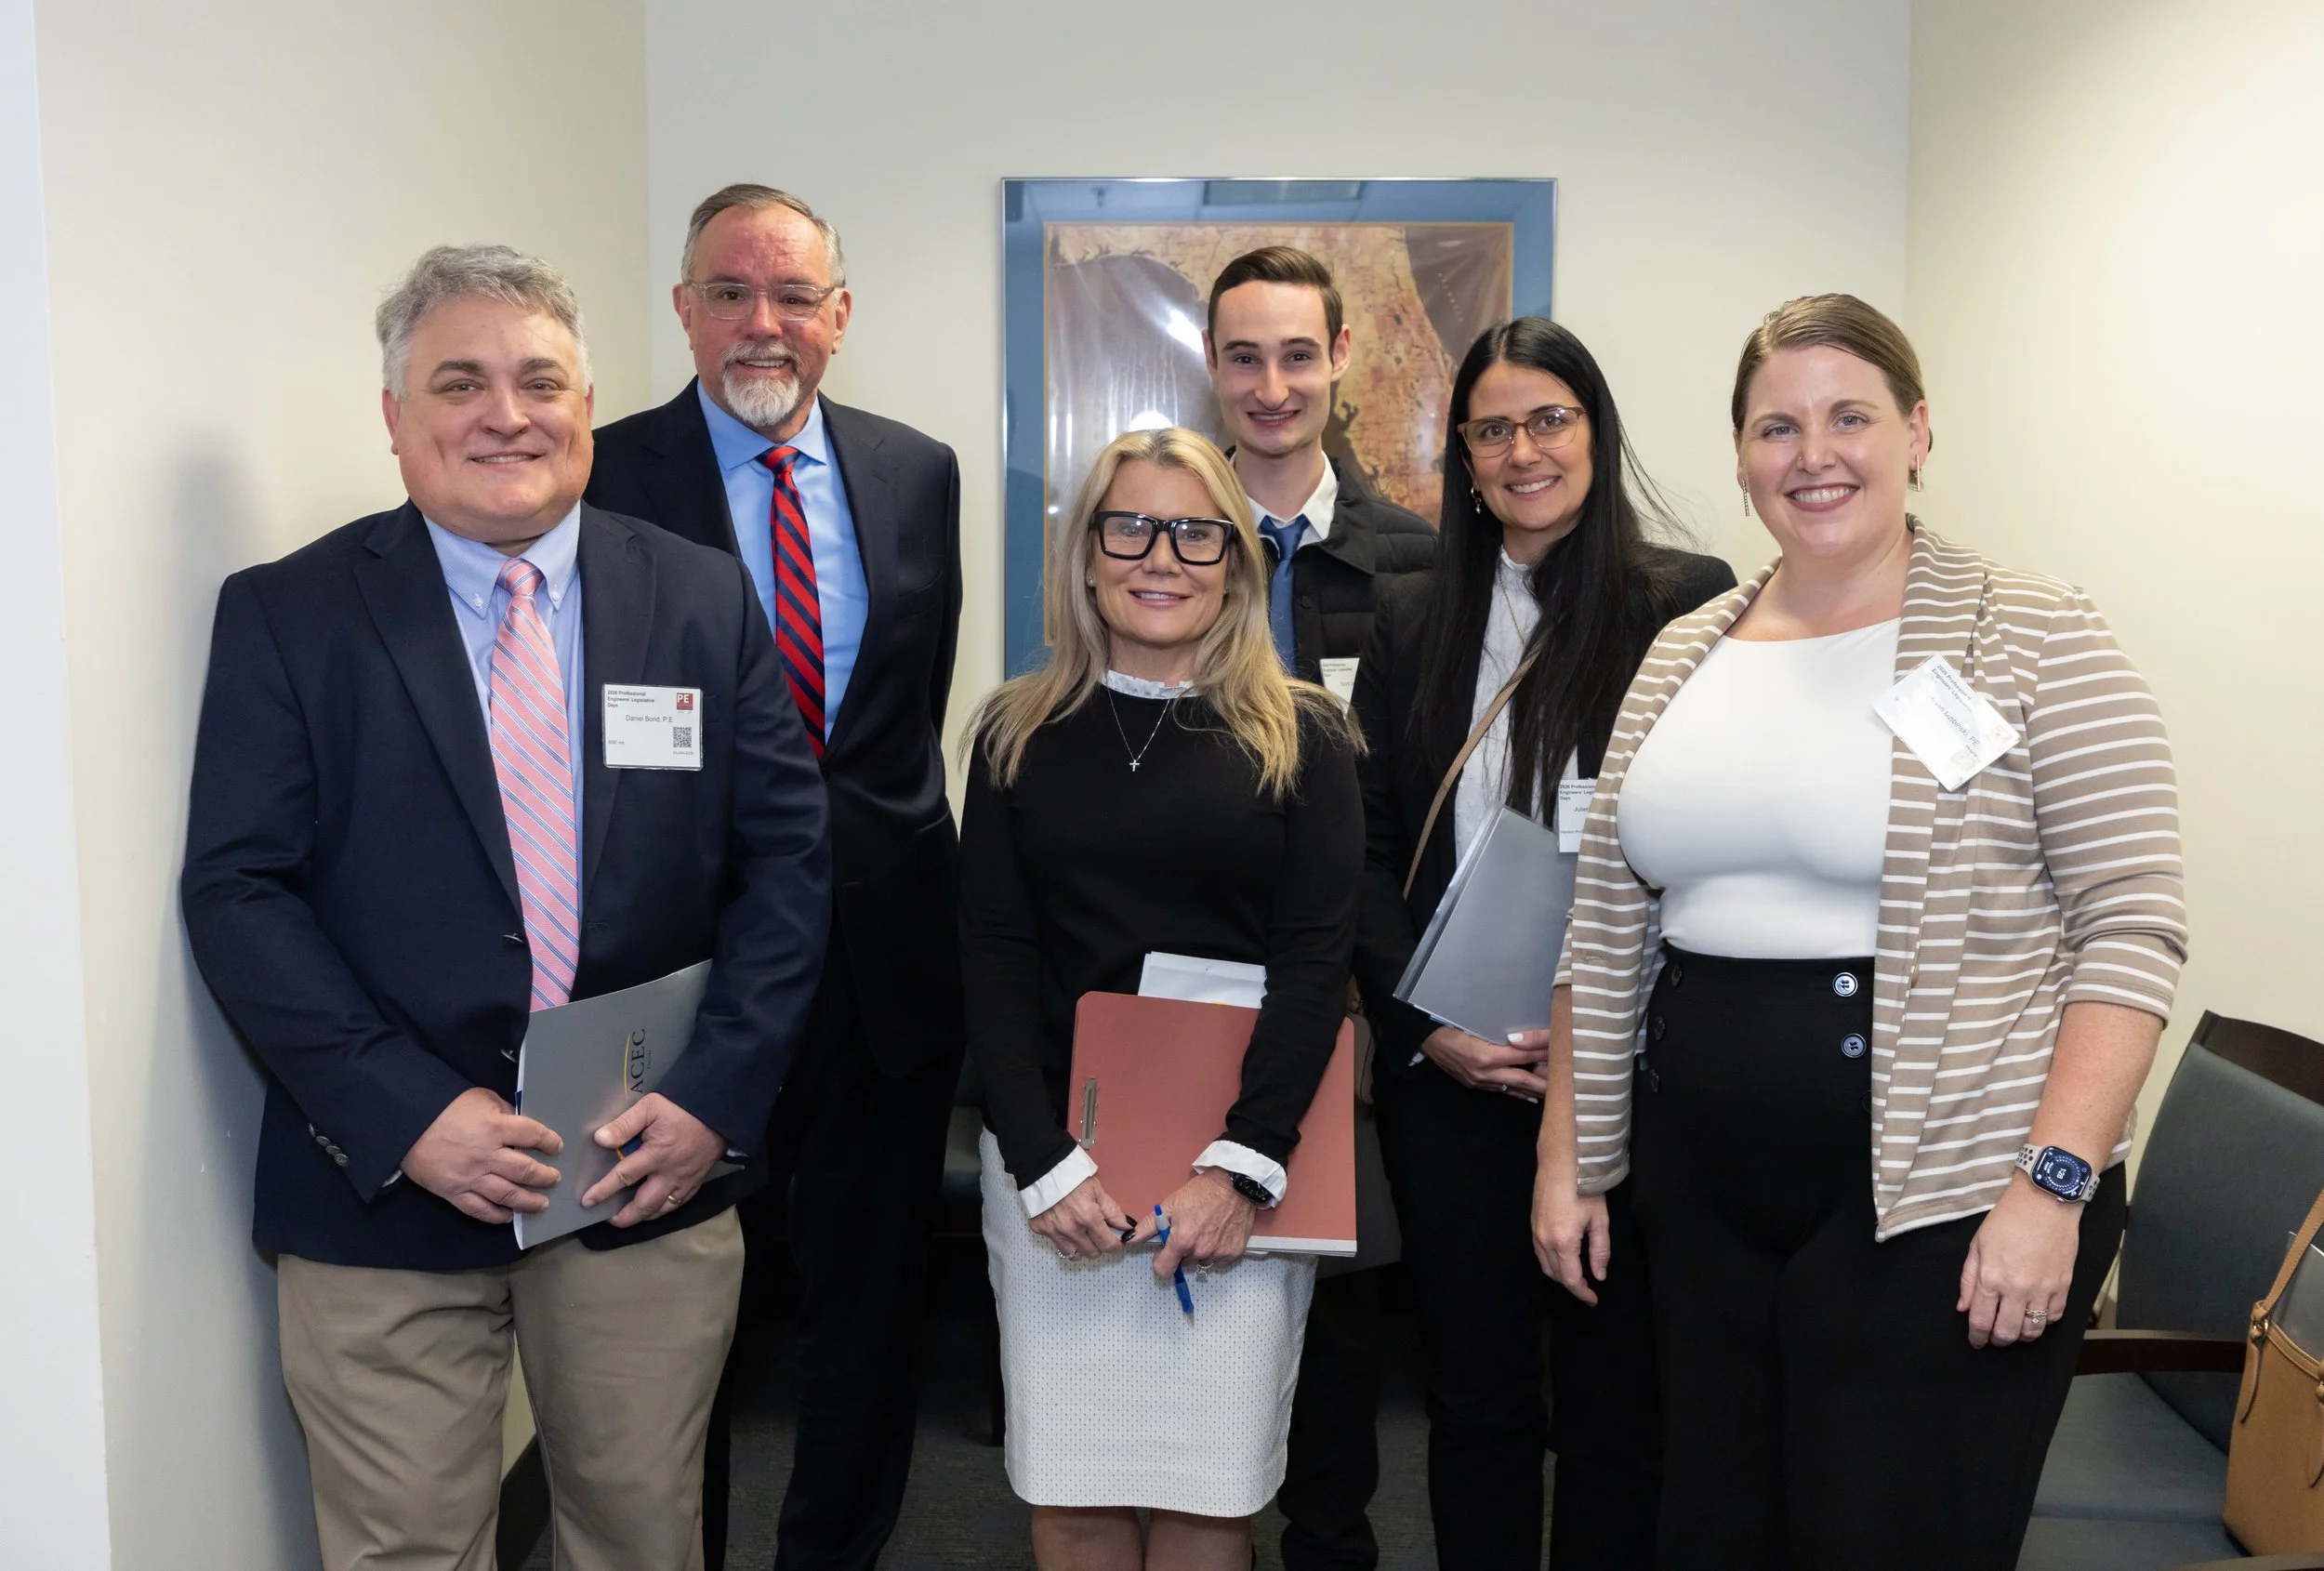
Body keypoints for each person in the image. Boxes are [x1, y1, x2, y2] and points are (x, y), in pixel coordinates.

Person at [179, 244, 830, 1571]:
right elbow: (238, 889)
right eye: (459, 382)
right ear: (396, 418)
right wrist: (408, 1111)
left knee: (642, 1536)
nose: (506, 413)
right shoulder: (291, 613)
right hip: (382, 1193)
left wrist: (714, 1094)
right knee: (406, 1549)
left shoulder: (701, 595)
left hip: (641, 1169)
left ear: (586, 404)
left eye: (541, 380)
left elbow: (788, 866)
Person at [1533, 294, 2187, 1570]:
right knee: (1714, 1532)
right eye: (1777, 425)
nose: (1812, 453)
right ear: (1740, 456)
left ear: (1919, 430)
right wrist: (1571, 1153)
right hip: (1704, 1196)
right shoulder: (1685, 651)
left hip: (1939, 1199)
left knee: (1880, 1536)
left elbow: (2131, 927)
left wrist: (2050, 1188)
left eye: (1850, 416)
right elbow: (1606, 926)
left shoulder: (2033, 632)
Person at [583, 183, 965, 1571]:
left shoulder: (918, 469)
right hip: (690, 971)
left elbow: (903, 713)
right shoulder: (602, 474)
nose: (764, 323)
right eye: (730, 293)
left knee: (870, 1308)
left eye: (794, 296)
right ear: (682, 309)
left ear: (839, 318)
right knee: (683, 1320)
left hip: (885, 969)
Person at [1349, 317, 1734, 1568]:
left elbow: (1708, 841)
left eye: (1549, 419)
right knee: (1476, 1397)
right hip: (1456, 1074)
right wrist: (1427, 1030)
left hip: (1624, 1075)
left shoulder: (1689, 603)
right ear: (1460, 457)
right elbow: (1365, 849)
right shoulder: (1409, 616)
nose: (1524, 449)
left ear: (1594, 431)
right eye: (1494, 428)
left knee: (1623, 1404)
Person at [960, 427, 1363, 1571]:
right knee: (1073, 1490)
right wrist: (1039, 1156)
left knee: (1206, 1496)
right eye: (1127, 525)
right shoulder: (1012, 730)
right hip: (1055, 1175)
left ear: (1237, 561)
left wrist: (1240, 1166)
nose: (1161, 556)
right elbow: (990, 955)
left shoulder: (1307, 738)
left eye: (1197, 533)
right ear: (1086, 555)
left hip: (1242, 1173)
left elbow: (1313, 965)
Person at [1202, 244, 1436, 1571]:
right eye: (1245, 355)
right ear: (1214, 366)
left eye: (1298, 353)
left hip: (1352, 1002)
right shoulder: (1167, 541)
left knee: (1341, 1314)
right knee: (1203, 1293)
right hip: (1197, 989)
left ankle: (1329, 1542)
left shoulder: (1415, 561)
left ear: (1342, 357)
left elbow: (1418, 803)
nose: (1273, 384)